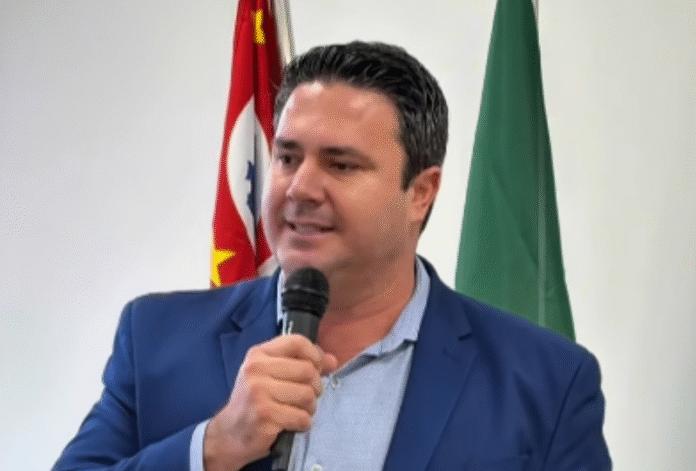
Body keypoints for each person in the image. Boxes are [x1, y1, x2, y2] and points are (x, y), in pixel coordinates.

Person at [53, 41, 611, 471]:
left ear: (421, 193)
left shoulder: (546, 382)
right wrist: (215, 446)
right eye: (287, 158)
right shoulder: (156, 340)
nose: (300, 188)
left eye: (340, 165)